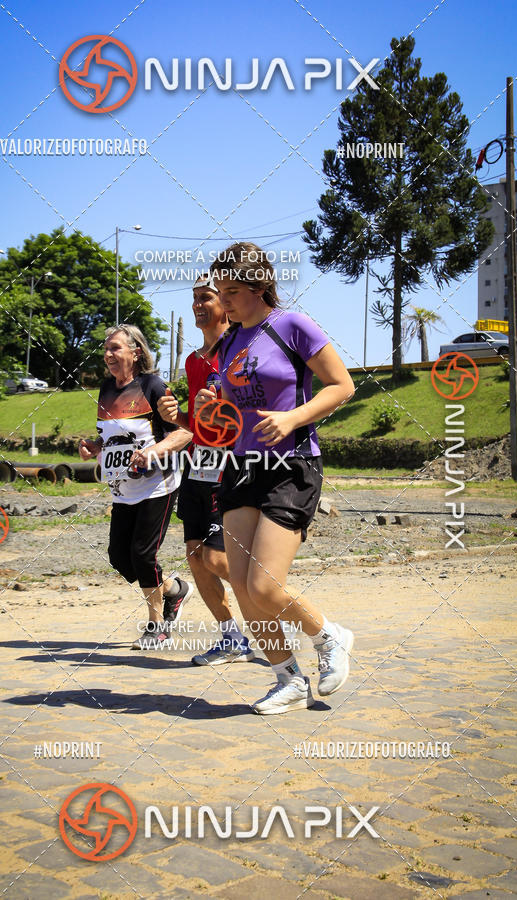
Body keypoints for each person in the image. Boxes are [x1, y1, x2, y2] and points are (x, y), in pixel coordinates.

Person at [194, 242, 355, 714]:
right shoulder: (227, 344)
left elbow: (342, 385)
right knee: (243, 588)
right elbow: (232, 400)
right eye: (218, 292)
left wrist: (292, 419)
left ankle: (328, 635)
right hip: (241, 468)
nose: (223, 301)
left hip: (291, 464)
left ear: (260, 285)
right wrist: (210, 403)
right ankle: (288, 679)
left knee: (265, 587)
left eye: (232, 291)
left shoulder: (292, 325)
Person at [158, 274, 254, 665]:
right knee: (196, 557)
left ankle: (277, 603)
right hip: (199, 463)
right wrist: (177, 415)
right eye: (194, 297)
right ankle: (233, 639)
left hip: (231, 463)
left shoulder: (240, 350)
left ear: (226, 304)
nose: (198, 304)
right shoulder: (193, 361)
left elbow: (246, 415)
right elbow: (199, 425)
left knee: (216, 559)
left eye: (207, 297)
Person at [79, 324, 193, 650]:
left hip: (158, 483)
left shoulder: (153, 385)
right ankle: (174, 591)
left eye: (116, 348)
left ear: (135, 352)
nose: (108, 354)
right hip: (122, 488)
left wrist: (153, 452)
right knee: (120, 557)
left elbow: (185, 432)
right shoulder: (106, 390)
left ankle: (157, 627)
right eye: (106, 348)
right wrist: (94, 447)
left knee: (143, 556)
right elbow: (110, 435)